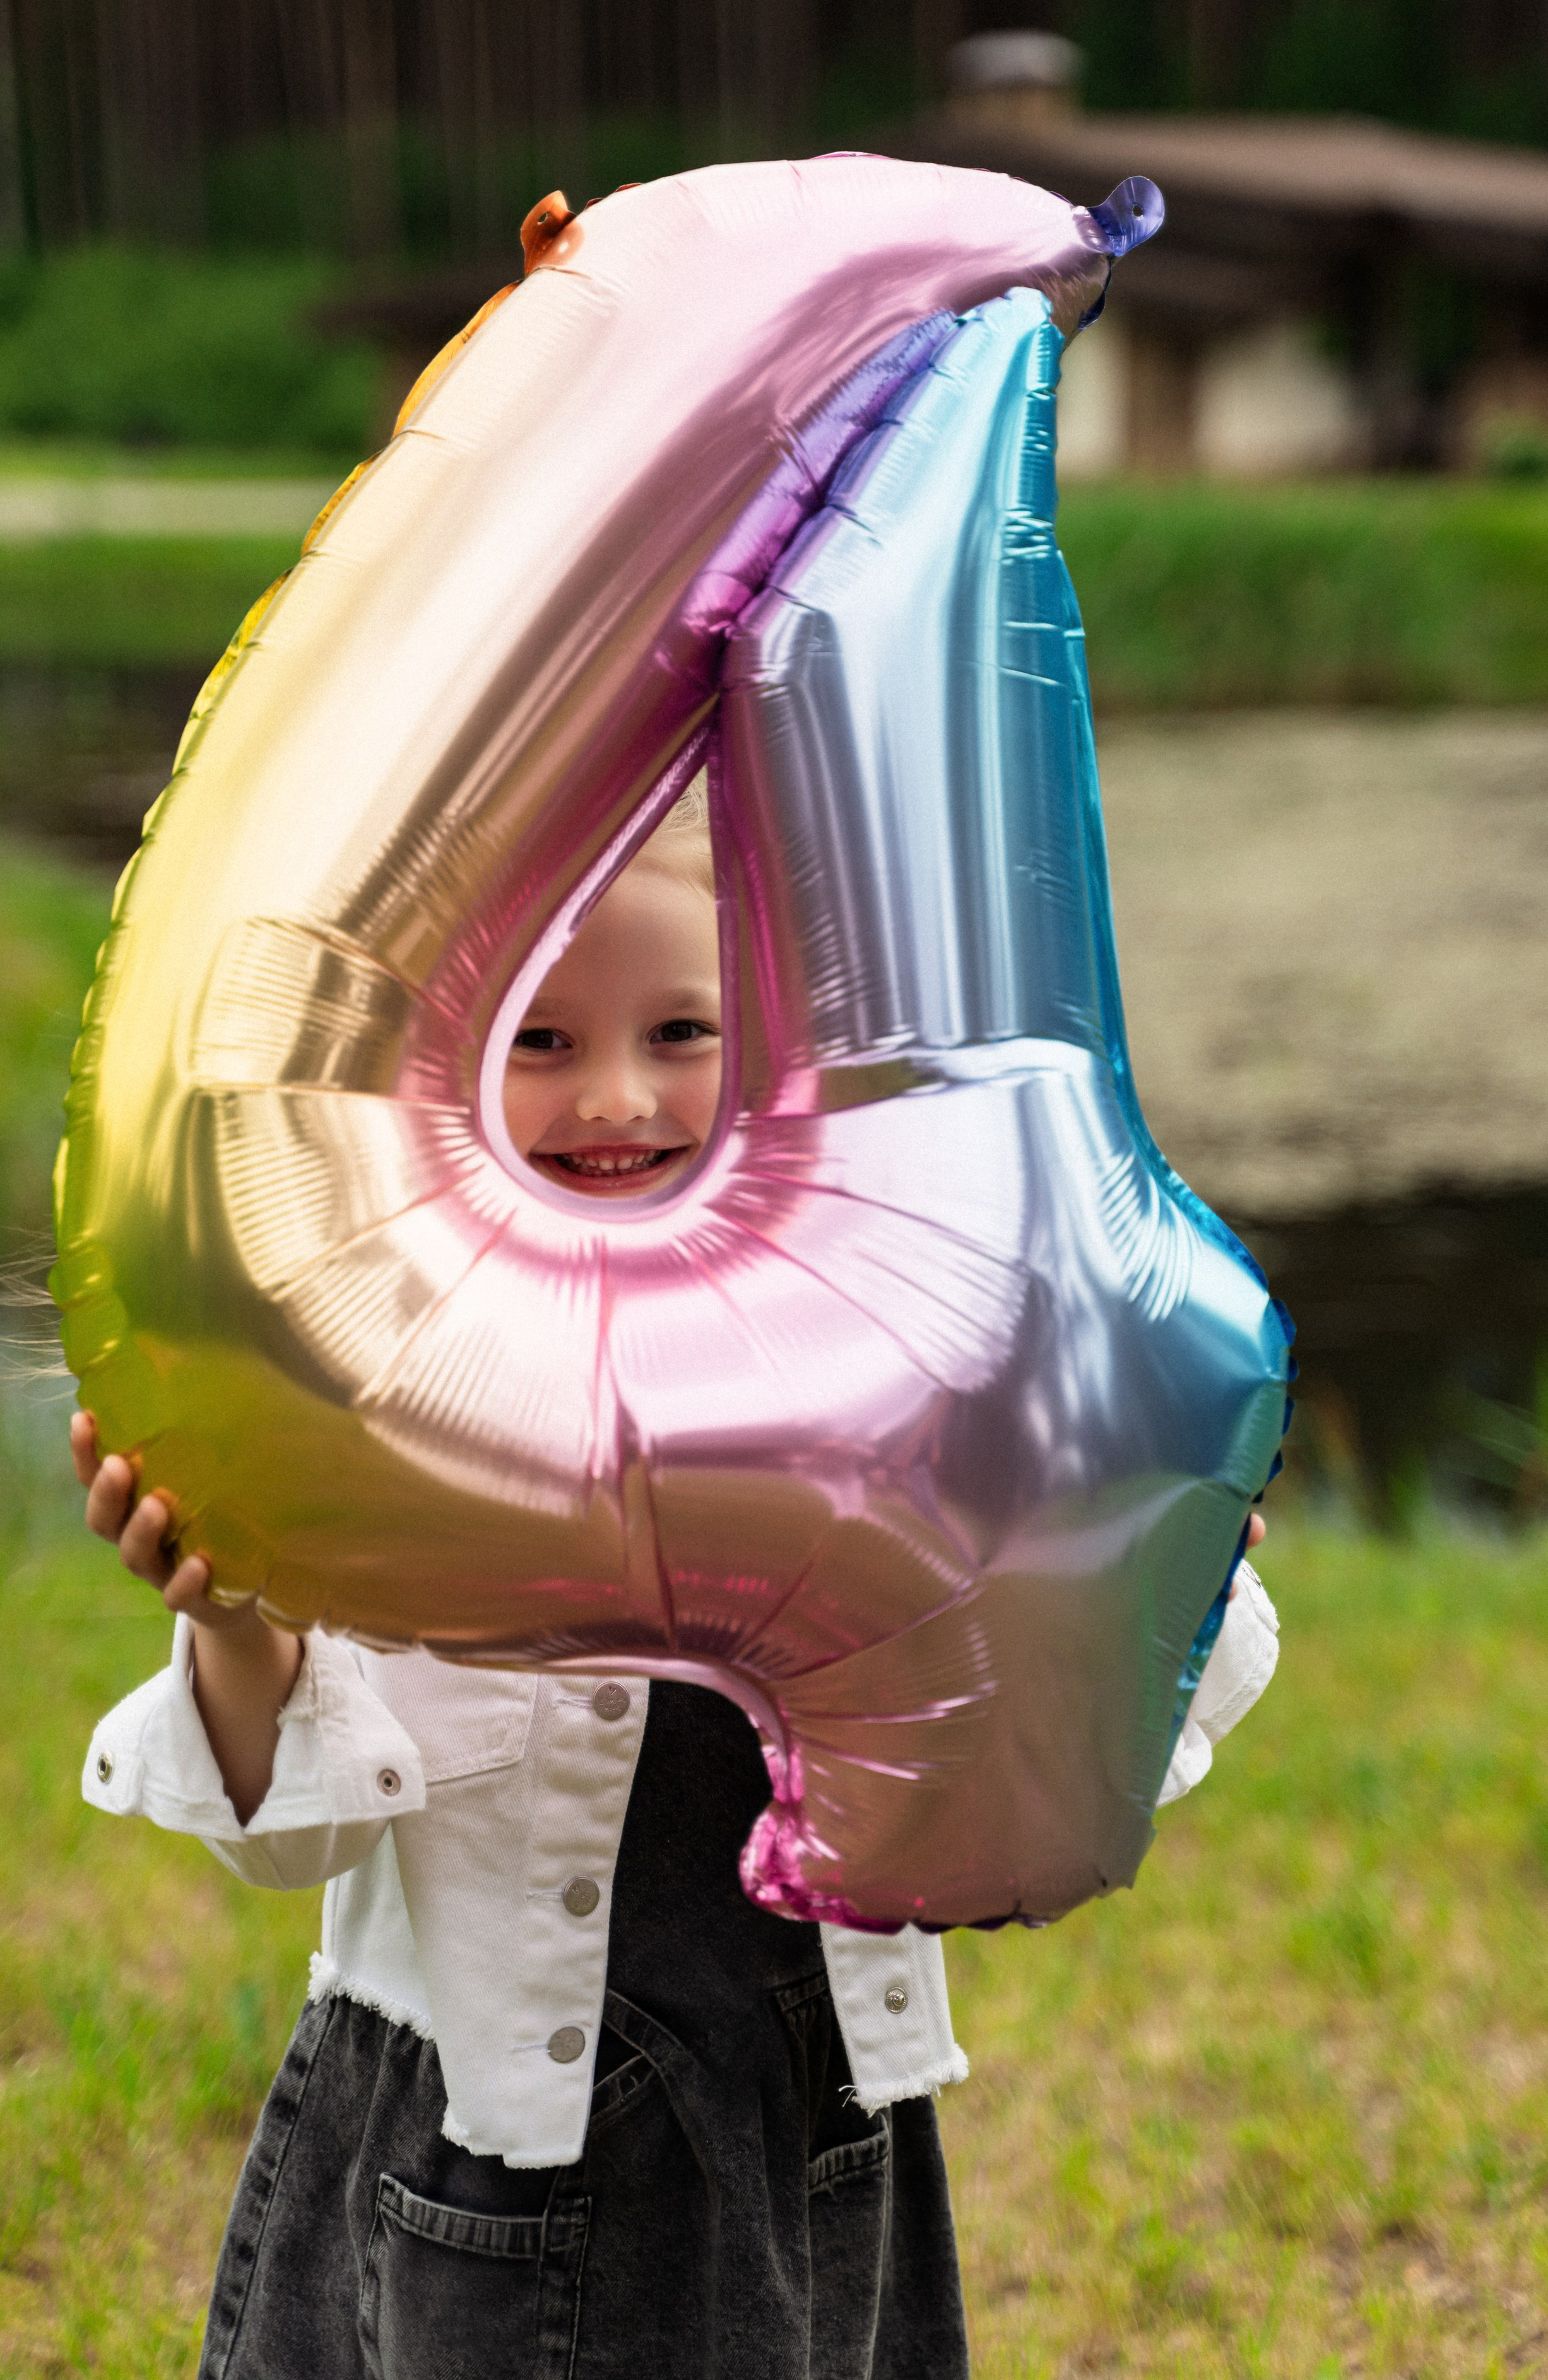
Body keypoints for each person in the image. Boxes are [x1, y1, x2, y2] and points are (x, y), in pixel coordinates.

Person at [74, 781, 1279, 2380]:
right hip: (486, 2163)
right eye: (541, 1038)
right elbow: (308, 1845)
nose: (617, 1096)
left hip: (814, 2132)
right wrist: (231, 1620)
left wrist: (1142, 1576)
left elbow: (1042, 1741)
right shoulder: (385, 1407)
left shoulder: (877, 1377)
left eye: (684, 1030)